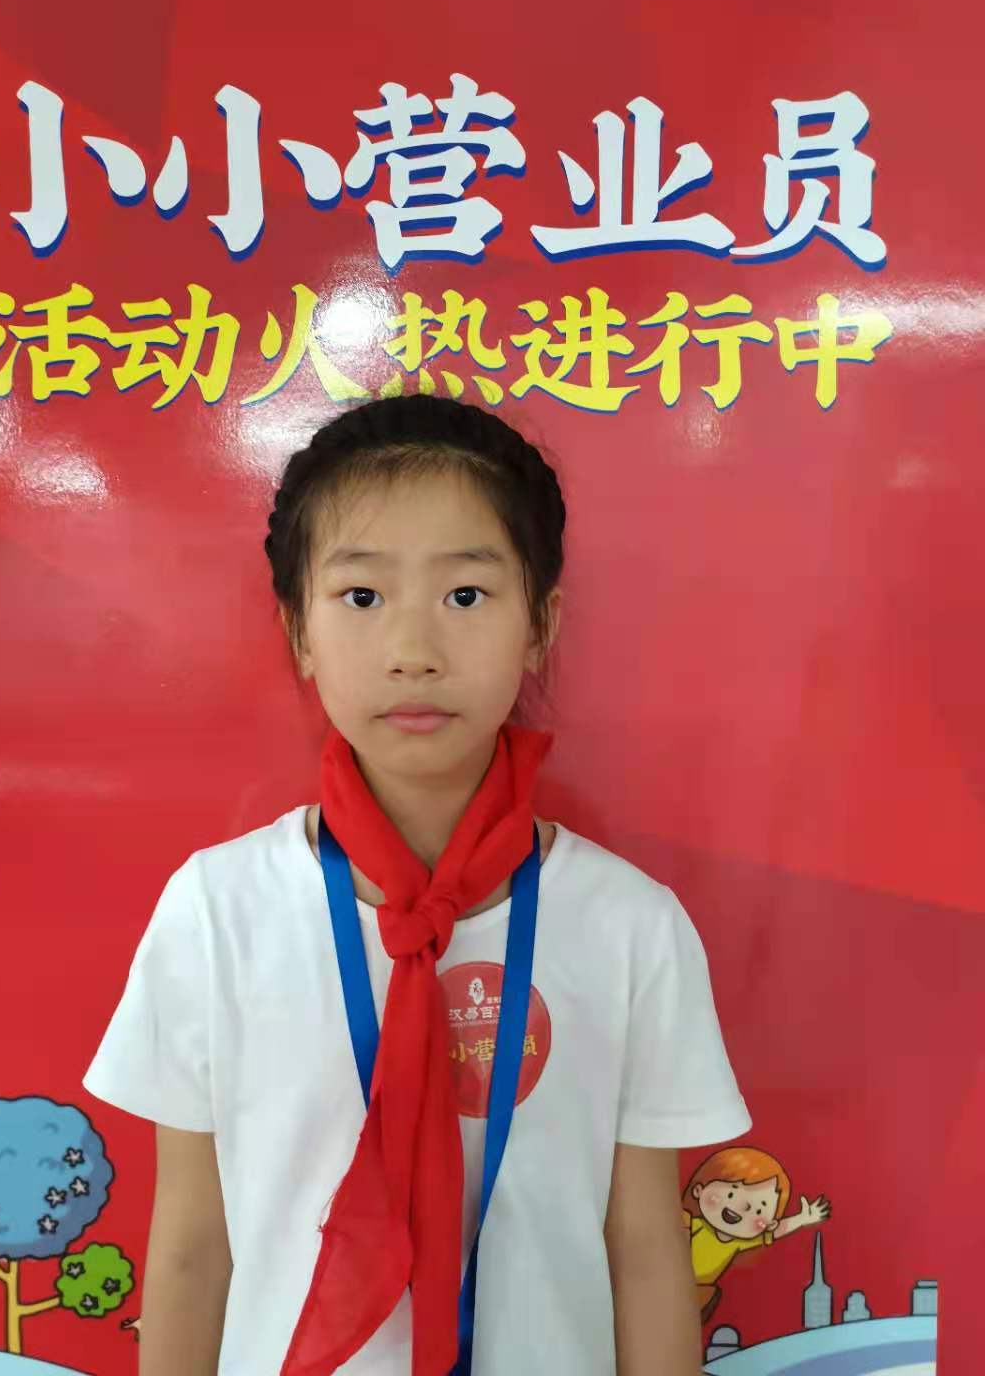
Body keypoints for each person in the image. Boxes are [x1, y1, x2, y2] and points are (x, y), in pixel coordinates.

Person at [82, 394, 753, 1376]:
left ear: (540, 623)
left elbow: (646, 1255)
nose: (414, 652)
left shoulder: (629, 927)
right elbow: (191, 1248)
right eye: (361, 597)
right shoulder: (218, 913)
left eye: (466, 596)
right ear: (298, 631)